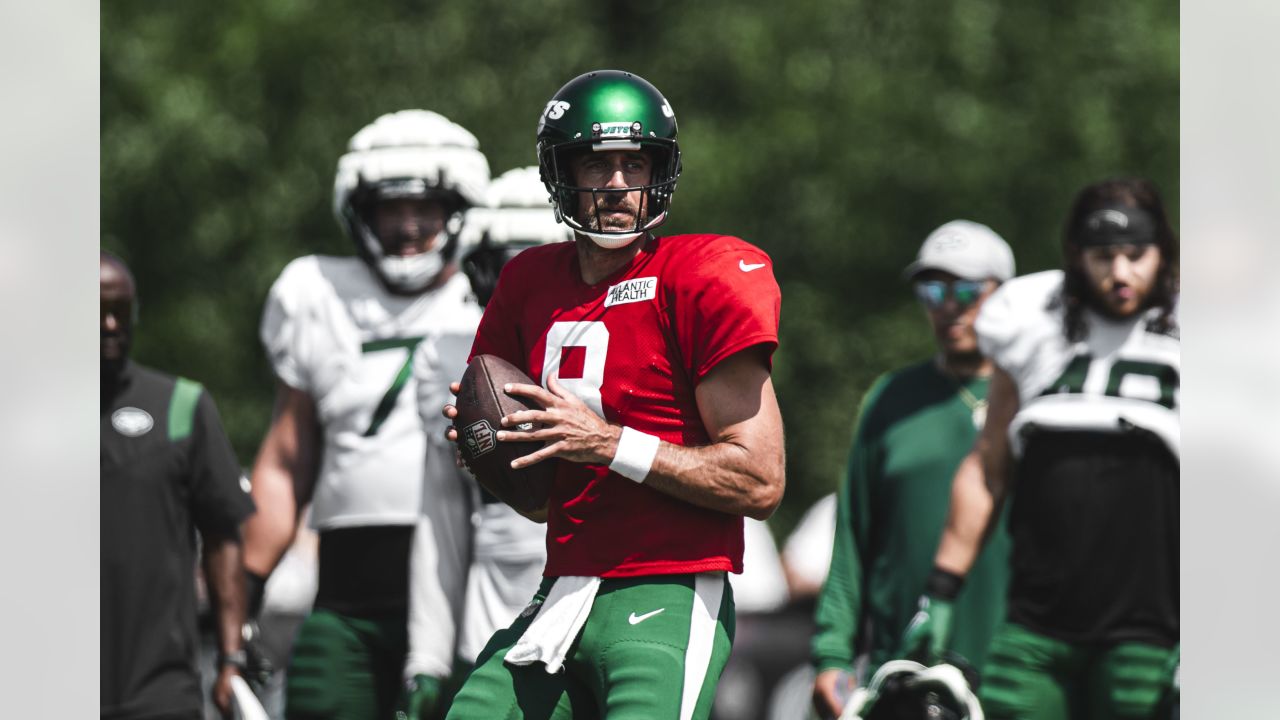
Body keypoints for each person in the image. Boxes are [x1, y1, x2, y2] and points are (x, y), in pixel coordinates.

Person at [442, 69, 786, 720]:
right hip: (563, 591)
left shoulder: (702, 274)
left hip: (670, 588)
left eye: (638, 162)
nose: (622, 184)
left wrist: (605, 444)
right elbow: (543, 505)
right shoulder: (527, 281)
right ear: (558, 172)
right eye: (599, 164)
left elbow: (759, 482)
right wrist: (491, 448)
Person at [243, 109, 489, 719]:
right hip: (345, 592)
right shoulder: (314, 293)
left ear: (461, 209)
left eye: (425, 209)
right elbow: (286, 459)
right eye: (389, 209)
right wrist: (242, 584)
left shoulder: (498, 296)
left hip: (469, 588)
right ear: (358, 213)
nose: (408, 227)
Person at [906, 178, 1179, 719]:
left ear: (1163, 254)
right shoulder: (1032, 319)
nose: (1120, 273)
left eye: (1135, 255)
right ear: (1077, 257)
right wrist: (939, 592)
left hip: (1151, 630)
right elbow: (989, 468)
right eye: (1103, 256)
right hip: (1036, 626)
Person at [810, 221, 1016, 720]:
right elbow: (853, 538)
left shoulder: (1038, 397)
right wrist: (832, 652)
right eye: (933, 289)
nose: (948, 305)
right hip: (903, 669)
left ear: (1006, 295)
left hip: (1015, 666)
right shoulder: (890, 399)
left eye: (967, 289)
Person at [398, 166, 571, 719]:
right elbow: (442, 516)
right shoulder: (451, 355)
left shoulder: (624, 337)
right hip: (494, 625)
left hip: (601, 610)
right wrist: (426, 656)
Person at [101, 251, 256, 719]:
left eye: (122, 311)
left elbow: (223, 536)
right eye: (97, 312)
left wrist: (231, 657)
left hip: (161, 690)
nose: (111, 324)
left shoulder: (182, 406)